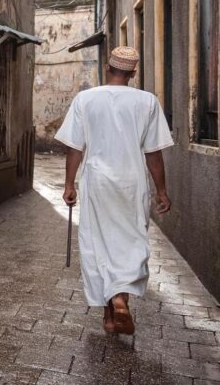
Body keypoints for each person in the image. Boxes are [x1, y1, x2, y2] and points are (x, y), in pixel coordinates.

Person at [54, 46, 173, 334]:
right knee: (130, 241)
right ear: (133, 73)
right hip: (132, 183)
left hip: (97, 182)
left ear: (108, 68)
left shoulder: (86, 99)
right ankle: (121, 299)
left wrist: (70, 184)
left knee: (99, 242)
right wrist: (161, 190)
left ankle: (110, 312)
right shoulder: (147, 102)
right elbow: (153, 154)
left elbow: (75, 148)